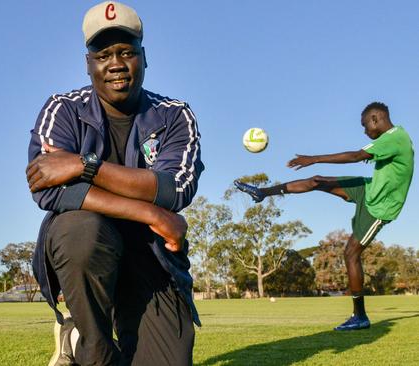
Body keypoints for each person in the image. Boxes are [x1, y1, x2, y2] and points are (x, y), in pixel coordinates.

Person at [26, 2, 204, 365]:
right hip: (90, 247)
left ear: (144, 56)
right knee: (78, 228)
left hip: (151, 255)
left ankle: (82, 339)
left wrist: (82, 165)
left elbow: (173, 189)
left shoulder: (174, 115)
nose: (116, 64)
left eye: (126, 52)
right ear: (88, 63)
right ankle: (89, 343)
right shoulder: (63, 109)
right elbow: (47, 188)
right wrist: (147, 210)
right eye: (103, 54)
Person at [234, 102, 414, 331]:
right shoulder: (388, 138)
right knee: (317, 180)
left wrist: (314, 157)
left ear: (376, 118)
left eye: (365, 125)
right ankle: (262, 193)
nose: (364, 130)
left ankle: (360, 316)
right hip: (369, 189)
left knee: (350, 254)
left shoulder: (395, 138)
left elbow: (356, 156)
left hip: (380, 207)